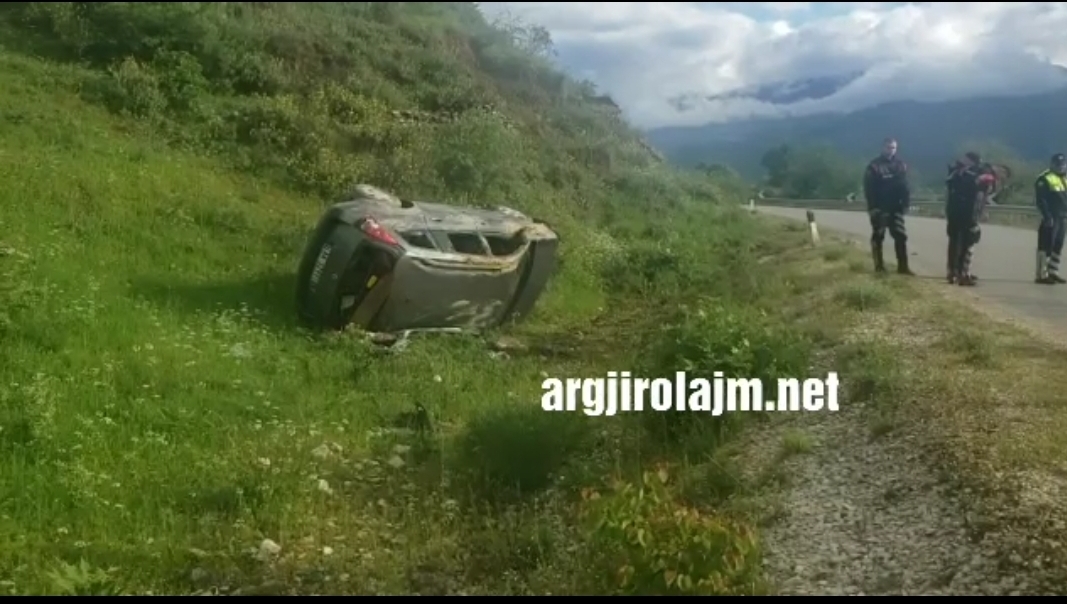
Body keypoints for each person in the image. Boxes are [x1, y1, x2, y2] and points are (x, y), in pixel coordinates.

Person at [945, 152, 997, 286]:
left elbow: (989, 188)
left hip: (958, 211)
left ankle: (955, 272)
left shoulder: (956, 172)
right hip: (966, 212)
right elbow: (983, 186)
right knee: (966, 242)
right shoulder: (968, 174)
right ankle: (961, 273)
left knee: (958, 242)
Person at [863, 137, 913, 274]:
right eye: (888, 147)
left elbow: (905, 186)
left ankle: (903, 267)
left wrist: (906, 204)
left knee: (901, 236)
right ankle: (879, 267)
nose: (891, 150)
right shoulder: (874, 166)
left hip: (896, 207)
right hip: (879, 207)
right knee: (878, 236)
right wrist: (872, 207)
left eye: (894, 148)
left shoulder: (901, 165)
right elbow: (869, 189)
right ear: (883, 148)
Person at [1035, 153, 1067, 284]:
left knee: (1058, 245)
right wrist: (1047, 216)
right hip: (1051, 216)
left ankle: (1053, 272)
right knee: (1046, 244)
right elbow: (1041, 200)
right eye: (1058, 164)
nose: (1061, 167)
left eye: (1063, 164)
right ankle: (1042, 274)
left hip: (1063, 216)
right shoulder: (1044, 178)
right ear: (1052, 164)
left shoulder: (1064, 178)